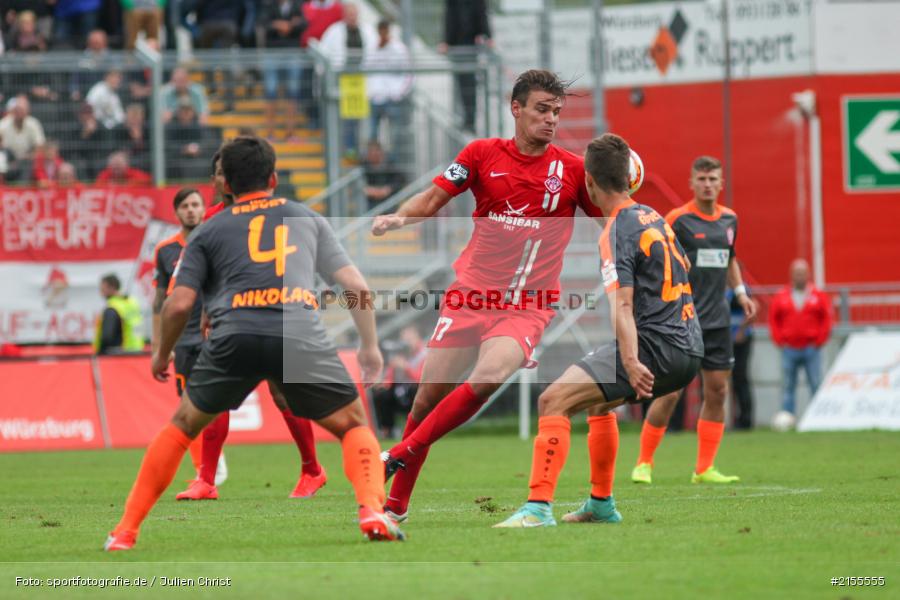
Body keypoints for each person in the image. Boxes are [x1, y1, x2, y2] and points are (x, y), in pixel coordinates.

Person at [104, 136, 403, 552]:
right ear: (274, 178)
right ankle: (371, 510)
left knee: (182, 426)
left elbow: (178, 305)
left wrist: (160, 353)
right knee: (353, 425)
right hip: (298, 333)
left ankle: (125, 532)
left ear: (225, 185)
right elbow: (355, 285)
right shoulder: (307, 218)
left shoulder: (207, 231)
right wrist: (369, 347)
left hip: (234, 336)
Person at [372, 69, 605, 522]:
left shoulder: (572, 170)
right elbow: (433, 198)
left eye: (557, 112)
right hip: (471, 296)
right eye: (542, 109)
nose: (551, 119)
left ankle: (396, 453)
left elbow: (610, 219)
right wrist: (398, 219)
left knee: (489, 376)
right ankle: (395, 506)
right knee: (425, 401)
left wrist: (645, 238)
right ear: (515, 108)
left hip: (527, 305)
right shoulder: (481, 154)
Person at [495, 133, 703, 528]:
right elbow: (683, 272)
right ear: (629, 178)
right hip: (690, 344)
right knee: (597, 402)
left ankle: (538, 509)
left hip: (656, 347)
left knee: (552, 400)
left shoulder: (616, 230)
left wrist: (631, 359)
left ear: (588, 181)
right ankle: (601, 505)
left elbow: (621, 304)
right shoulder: (653, 216)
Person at [175, 150, 330, 501]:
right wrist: (207, 313)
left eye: (221, 171)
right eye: (214, 172)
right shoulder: (214, 219)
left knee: (283, 393)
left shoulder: (277, 213)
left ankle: (312, 469)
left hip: (277, 314)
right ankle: (207, 480)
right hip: (232, 319)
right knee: (216, 396)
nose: (218, 178)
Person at [630, 156, 755, 485]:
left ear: (721, 182)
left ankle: (704, 469)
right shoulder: (678, 219)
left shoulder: (730, 219)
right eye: (702, 179)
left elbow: (731, 259)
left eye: (713, 179)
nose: (708, 184)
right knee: (670, 393)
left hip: (718, 321)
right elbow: (660, 257)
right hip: (683, 319)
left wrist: (740, 293)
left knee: (717, 391)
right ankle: (643, 463)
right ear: (692, 183)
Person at [151, 188, 208, 485]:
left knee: (211, 402)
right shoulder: (165, 250)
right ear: (176, 212)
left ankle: (208, 464)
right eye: (185, 205)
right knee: (188, 402)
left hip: (215, 333)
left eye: (196, 204)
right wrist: (160, 346)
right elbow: (160, 302)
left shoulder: (215, 241)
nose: (190, 210)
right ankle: (203, 470)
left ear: (204, 208)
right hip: (183, 338)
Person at [768, 258, 833, 416]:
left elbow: (828, 318)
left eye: (802, 273)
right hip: (789, 348)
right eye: (797, 273)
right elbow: (773, 319)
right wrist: (779, 340)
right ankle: (787, 418)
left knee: (815, 383)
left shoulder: (818, 295)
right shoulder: (782, 296)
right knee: (788, 386)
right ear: (791, 275)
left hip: (811, 348)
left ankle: (817, 416)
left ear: (808, 274)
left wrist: (820, 340)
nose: (800, 277)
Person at [318, 3, 376, 158]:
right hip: (341, 81)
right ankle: (343, 149)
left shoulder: (368, 31)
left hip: (361, 81)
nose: (352, 17)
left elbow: (374, 54)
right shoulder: (333, 31)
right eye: (349, 14)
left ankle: (359, 150)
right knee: (343, 118)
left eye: (354, 14)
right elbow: (323, 55)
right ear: (344, 15)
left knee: (360, 118)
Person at [440, 0, 492, 132]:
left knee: (468, 84)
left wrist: (488, 36)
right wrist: (446, 41)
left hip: (468, 44)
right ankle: (467, 119)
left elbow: (482, 15)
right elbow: (449, 18)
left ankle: (470, 120)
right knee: (464, 83)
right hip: (459, 44)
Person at [260, 0, 306, 141]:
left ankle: (290, 133)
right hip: (272, 54)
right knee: (270, 92)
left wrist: (283, 25)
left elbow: (304, 24)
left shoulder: (298, 6)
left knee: (293, 93)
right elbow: (263, 24)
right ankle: (270, 133)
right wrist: (284, 25)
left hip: (292, 54)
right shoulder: (268, 6)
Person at [364, 19, 412, 152]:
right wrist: (369, 92)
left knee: (395, 136)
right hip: (375, 97)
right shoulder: (371, 47)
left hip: (393, 98)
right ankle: (374, 165)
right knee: (372, 134)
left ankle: (393, 165)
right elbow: (365, 70)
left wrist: (399, 93)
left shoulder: (399, 48)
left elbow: (408, 73)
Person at [372, 326, 427, 439]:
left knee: (414, 390)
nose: (406, 343)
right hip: (400, 393)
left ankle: (419, 429)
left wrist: (406, 368)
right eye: (404, 339)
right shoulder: (399, 355)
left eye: (410, 339)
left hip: (417, 392)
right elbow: (390, 378)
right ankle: (388, 430)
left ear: (418, 338)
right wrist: (384, 383)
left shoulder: (425, 354)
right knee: (380, 393)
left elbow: (423, 380)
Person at [728, 283, 757, 429]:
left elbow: (754, 308)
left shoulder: (742, 290)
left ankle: (746, 420)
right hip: (726, 341)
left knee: (741, 378)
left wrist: (741, 330)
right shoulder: (721, 288)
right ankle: (730, 420)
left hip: (742, 341)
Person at [93, 273, 145, 355]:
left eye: (103, 289)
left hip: (118, 355)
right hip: (137, 351)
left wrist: (100, 352)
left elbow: (107, 337)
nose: (101, 293)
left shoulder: (112, 308)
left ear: (112, 287)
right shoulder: (132, 303)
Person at [363, 139, 405, 207]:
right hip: (369, 202)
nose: (374, 155)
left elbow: (401, 180)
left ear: (381, 152)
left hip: (389, 201)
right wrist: (368, 190)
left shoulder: (390, 165)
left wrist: (387, 189)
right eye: (371, 152)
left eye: (376, 151)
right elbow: (357, 185)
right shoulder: (363, 166)